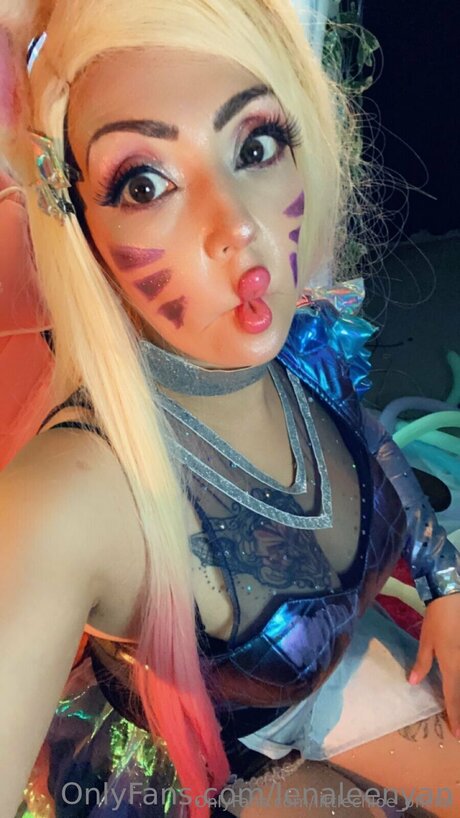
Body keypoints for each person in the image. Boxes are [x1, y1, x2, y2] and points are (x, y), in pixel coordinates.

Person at [0, 1, 459, 817]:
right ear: (80, 221)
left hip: (329, 677)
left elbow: (368, 444)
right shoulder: (72, 492)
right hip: (193, 767)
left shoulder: (303, 345)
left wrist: (446, 583)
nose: (237, 228)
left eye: (255, 146)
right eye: (145, 184)